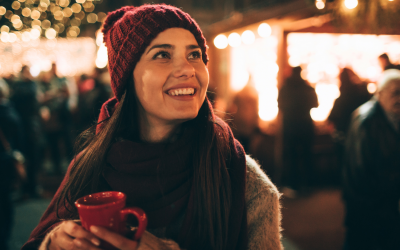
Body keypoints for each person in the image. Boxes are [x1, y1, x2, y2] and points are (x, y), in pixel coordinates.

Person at [23, 4, 282, 250]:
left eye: (195, 55)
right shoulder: (90, 165)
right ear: (126, 77)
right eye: (162, 55)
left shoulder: (242, 179)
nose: (188, 69)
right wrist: (54, 242)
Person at [342, 69, 400, 250]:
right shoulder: (366, 121)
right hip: (369, 207)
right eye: (396, 93)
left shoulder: (388, 114)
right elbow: (361, 172)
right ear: (380, 93)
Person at [278, 66, 318, 194]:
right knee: (307, 155)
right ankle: (309, 184)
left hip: (290, 126)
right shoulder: (307, 88)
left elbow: (280, 105)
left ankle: (294, 185)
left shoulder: (285, 88)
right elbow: (315, 104)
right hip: (305, 125)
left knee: (292, 156)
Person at [328, 68, 371, 168]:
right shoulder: (362, 95)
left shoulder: (341, 99)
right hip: (361, 135)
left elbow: (332, 118)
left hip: (343, 135)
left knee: (344, 164)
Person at [10, 65, 43, 198]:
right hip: (24, 127)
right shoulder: (20, 87)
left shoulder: (30, 86)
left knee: (33, 158)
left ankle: (32, 187)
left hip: (30, 127)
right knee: (25, 157)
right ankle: (27, 187)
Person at [0, 78, 24, 250]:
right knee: (5, 203)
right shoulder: (9, 111)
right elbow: (18, 135)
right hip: (5, 160)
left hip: (4, 159)